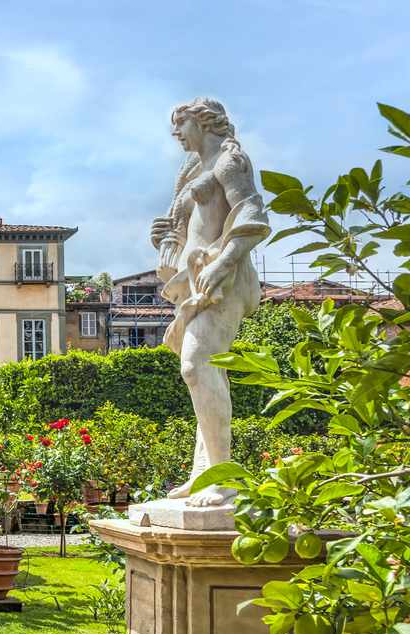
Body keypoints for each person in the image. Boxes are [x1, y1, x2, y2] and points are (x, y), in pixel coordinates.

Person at [151, 97, 269, 507]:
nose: (176, 133)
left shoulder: (229, 161)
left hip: (221, 279)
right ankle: (206, 473)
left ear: (203, 122)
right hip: (195, 281)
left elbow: (252, 215)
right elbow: (192, 225)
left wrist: (224, 262)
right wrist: (164, 236)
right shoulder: (191, 169)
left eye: (181, 124)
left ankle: (225, 479)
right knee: (201, 373)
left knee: (196, 366)